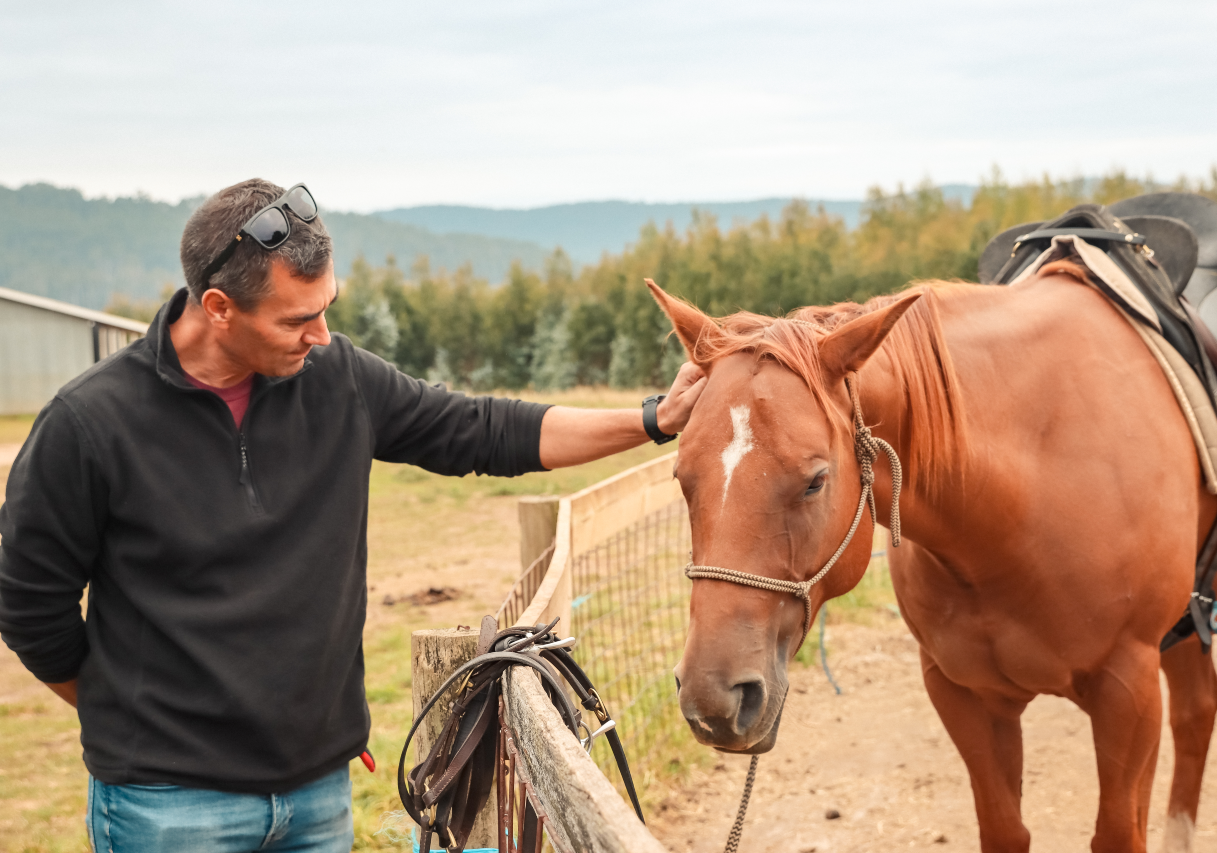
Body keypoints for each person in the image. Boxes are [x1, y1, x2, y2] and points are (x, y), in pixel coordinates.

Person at [0, 178, 706, 852]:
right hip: (167, 805)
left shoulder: (339, 382)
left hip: (317, 794)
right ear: (218, 307)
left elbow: (486, 430)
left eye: (327, 305)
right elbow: (30, 607)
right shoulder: (88, 424)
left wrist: (654, 419)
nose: (323, 335)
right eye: (298, 318)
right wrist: (136, 714)